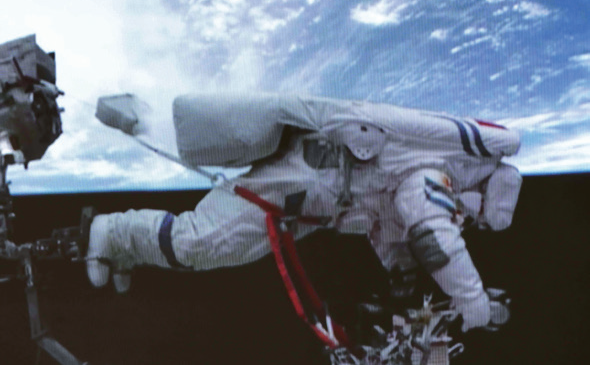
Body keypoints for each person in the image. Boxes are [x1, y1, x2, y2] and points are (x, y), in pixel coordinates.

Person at [87, 95, 522, 335]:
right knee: (198, 242)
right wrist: (474, 303)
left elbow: (387, 225)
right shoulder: (435, 174)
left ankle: (129, 250)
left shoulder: (427, 164)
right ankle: (111, 231)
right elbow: (434, 237)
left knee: (209, 249)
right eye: (475, 215)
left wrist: (401, 275)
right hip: (294, 183)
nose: (466, 220)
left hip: (304, 199)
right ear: (480, 191)